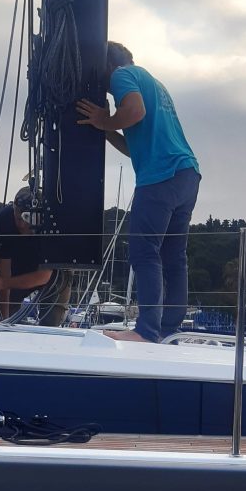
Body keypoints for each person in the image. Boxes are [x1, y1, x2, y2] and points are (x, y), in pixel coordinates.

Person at [76, 42, 200, 343]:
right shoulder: (153, 83)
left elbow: (134, 111)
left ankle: (146, 330)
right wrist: (104, 129)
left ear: (106, 65)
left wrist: (105, 119)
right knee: (173, 256)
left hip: (160, 177)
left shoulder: (122, 75)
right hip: (187, 173)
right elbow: (134, 147)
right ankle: (169, 328)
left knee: (144, 252)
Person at [0, 187, 71, 325]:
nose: (21, 224)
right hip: (19, 265)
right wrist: (4, 321)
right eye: (18, 217)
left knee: (51, 321)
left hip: (55, 271)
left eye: (27, 219)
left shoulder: (52, 224)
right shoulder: (5, 220)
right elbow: (3, 271)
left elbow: (44, 276)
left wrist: (4, 283)